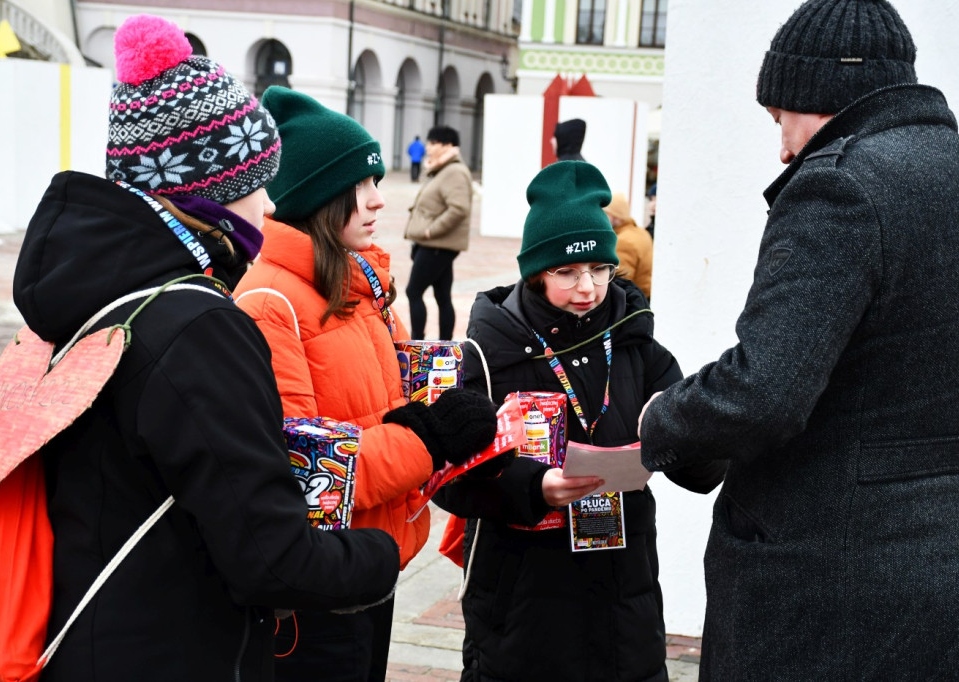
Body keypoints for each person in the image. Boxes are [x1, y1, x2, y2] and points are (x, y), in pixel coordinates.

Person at [11, 15, 401, 681]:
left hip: (93, 643)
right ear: (214, 190)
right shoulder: (198, 326)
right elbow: (270, 558)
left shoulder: (91, 300)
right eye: (258, 183)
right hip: (178, 653)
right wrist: (379, 556)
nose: (268, 206)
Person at [638, 1, 959, 679]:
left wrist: (661, 418)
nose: (782, 146)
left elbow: (764, 391)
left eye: (781, 118)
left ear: (820, 96)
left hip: (829, 594)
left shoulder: (839, 185)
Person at [233, 87, 498, 682]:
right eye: (363, 184)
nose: (380, 201)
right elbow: (302, 473)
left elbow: (392, 406)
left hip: (374, 567)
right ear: (320, 196)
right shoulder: (269, 303)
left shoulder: (360, 287)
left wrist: (450, 418)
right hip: (316, 593)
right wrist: (429, 438)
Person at [434, 161, 726, 681]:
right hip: (522, 601)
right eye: (566, 272)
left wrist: (693, 432)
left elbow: (701, 468)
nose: (587, 287)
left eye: (599, 269)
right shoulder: (488, 353)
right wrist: (531, 486)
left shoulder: (637, 344)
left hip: (622, 597)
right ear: (536, 272)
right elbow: (449, 478)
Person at [403, 125, 473, 339]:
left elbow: (459, 209)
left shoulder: (454, 172)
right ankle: (445, 344)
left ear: (448, 146)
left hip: (437, 245)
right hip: (435, 245)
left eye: (433, 143)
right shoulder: (442, 169)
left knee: (413, 291)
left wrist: (430, 232)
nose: (428, 147)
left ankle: (417, 341)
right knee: (442, 296)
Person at [603, 192, 653, 300]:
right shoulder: (641, 232)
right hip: (644, 297)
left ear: (615, 215)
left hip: (634, 302)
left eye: (604, 213)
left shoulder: (624, 241)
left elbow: (619, 283)